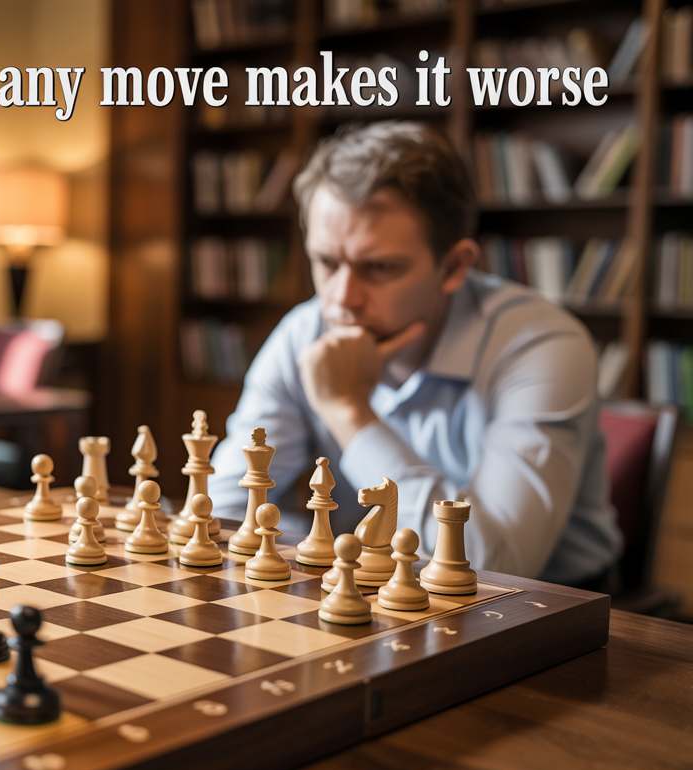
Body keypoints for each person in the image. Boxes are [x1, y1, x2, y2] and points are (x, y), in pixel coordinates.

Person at [206, 121, 621, 589]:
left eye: (379, 267)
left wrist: (349, 411)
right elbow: (221, 512)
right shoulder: (304, 332)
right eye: (326, 262)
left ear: (454, 266)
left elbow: (494, 563)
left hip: (551, 610)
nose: (341, 299)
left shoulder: (541, 346)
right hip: (370, 586)